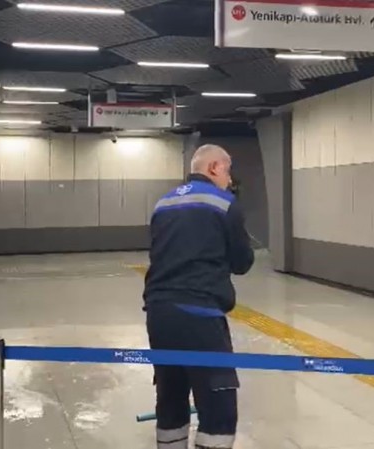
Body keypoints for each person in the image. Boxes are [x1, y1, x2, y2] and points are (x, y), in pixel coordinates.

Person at [143, 144, 255, 449]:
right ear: (215, 167)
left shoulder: (163, 203)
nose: (229, 180)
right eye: (228, 171)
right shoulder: (223, 203)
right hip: (200, 314)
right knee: (219, 404)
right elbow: (242, 263)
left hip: (158, 313)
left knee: (171, 396)